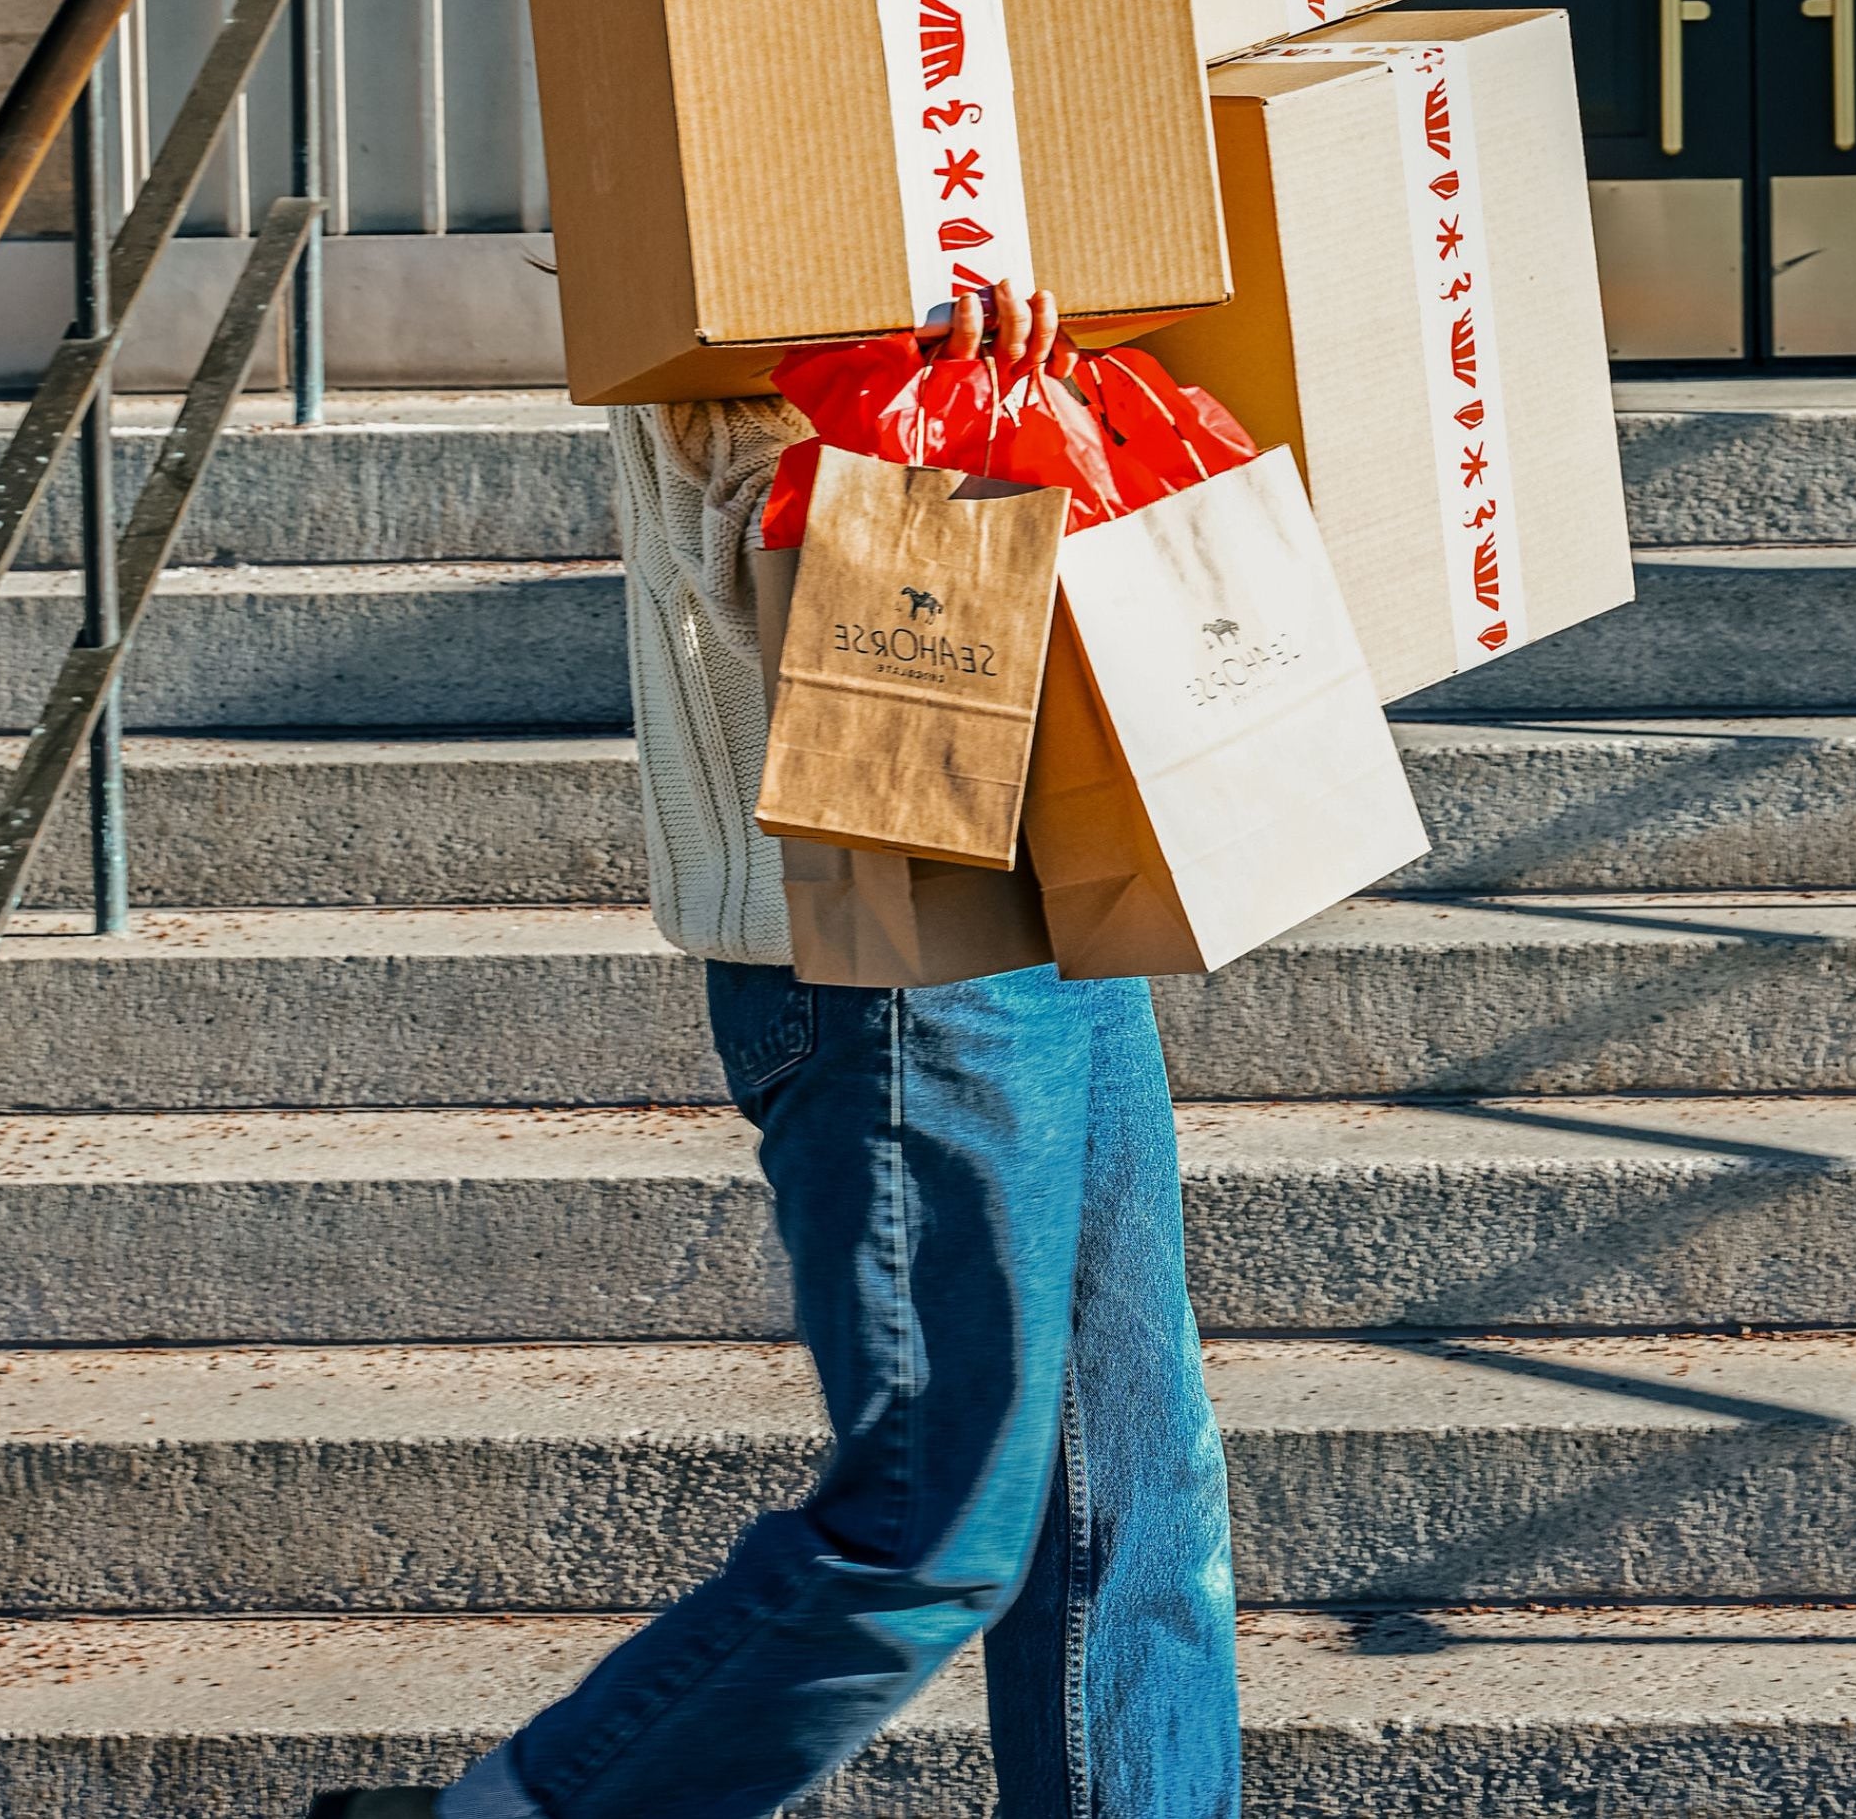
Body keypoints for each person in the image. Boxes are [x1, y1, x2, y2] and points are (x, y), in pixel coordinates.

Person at [308, 281, 1243, 1819]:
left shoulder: (1004, 192)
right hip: (878, 948)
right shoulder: (743, 250)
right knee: (934, 1518)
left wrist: (1059, 392)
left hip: (1050, 900)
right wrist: (927, 412)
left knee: (1140, 1505)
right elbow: (770, 586)